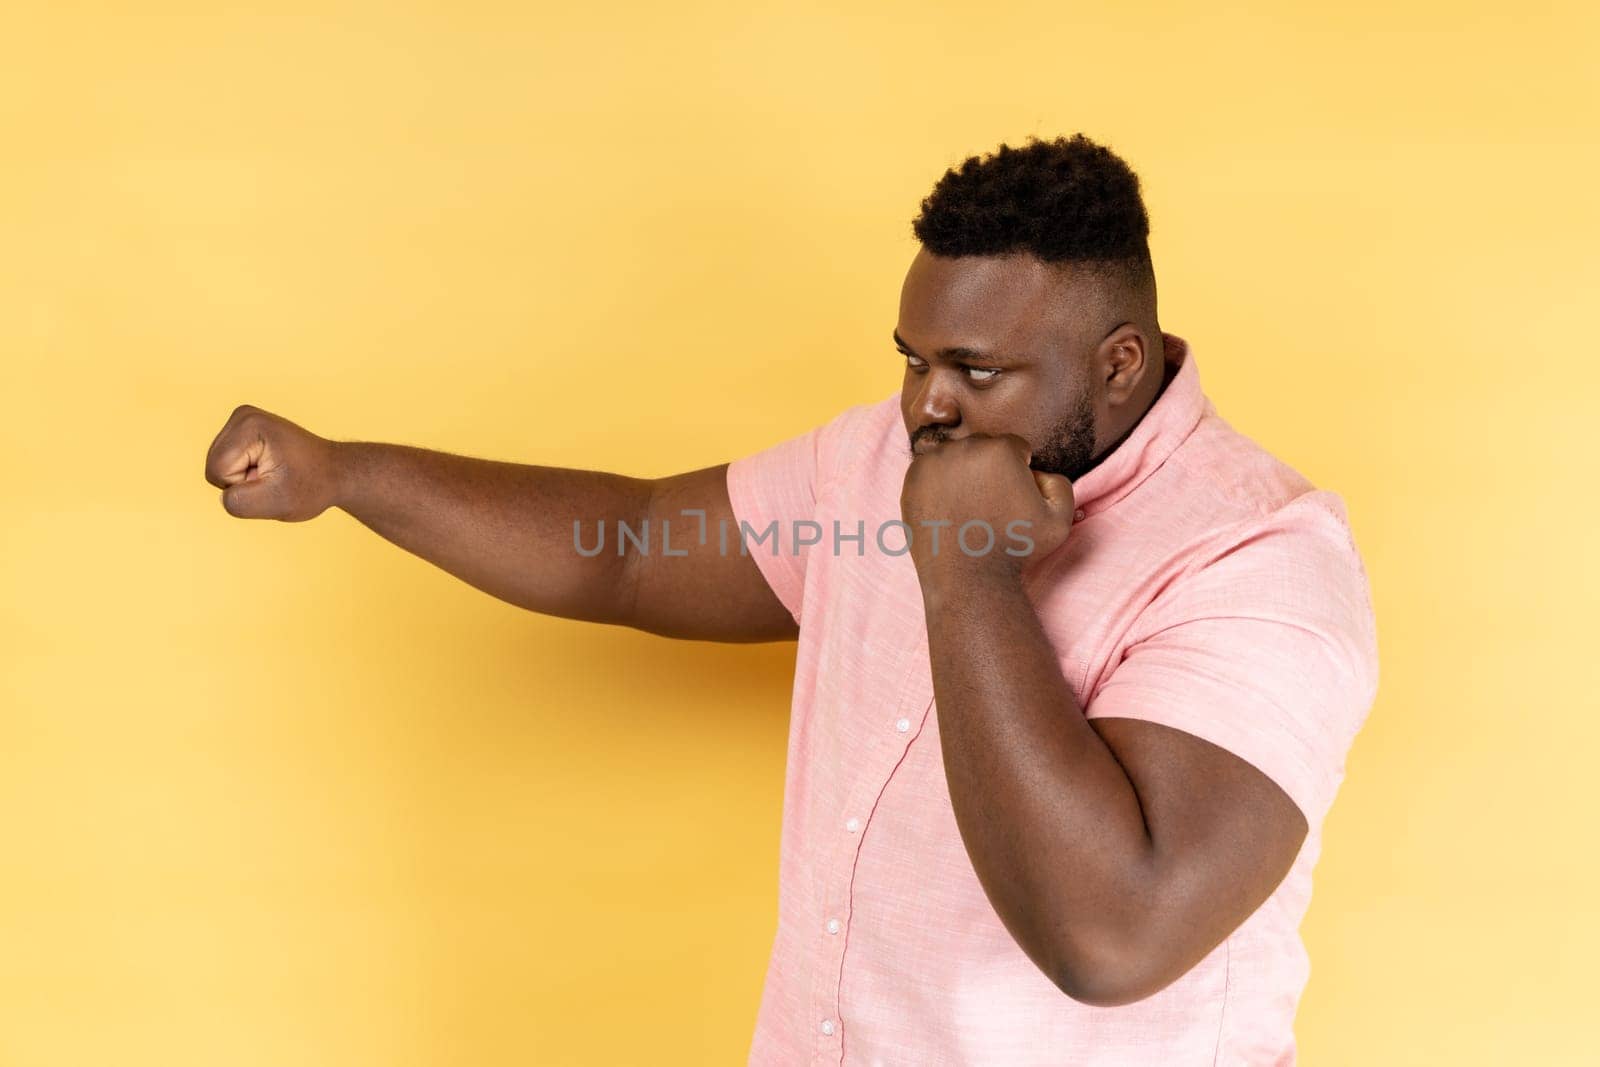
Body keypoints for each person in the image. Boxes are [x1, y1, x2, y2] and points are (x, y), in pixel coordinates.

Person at [204, 133, 1378, 1065]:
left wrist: (963, 568)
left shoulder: (1258, 559)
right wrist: (344, 473)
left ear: (1118, 361)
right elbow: (636, 545)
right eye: (912, 357)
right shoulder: (889, 456)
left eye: (976, 371)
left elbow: (1113, 934)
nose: (925, 405)